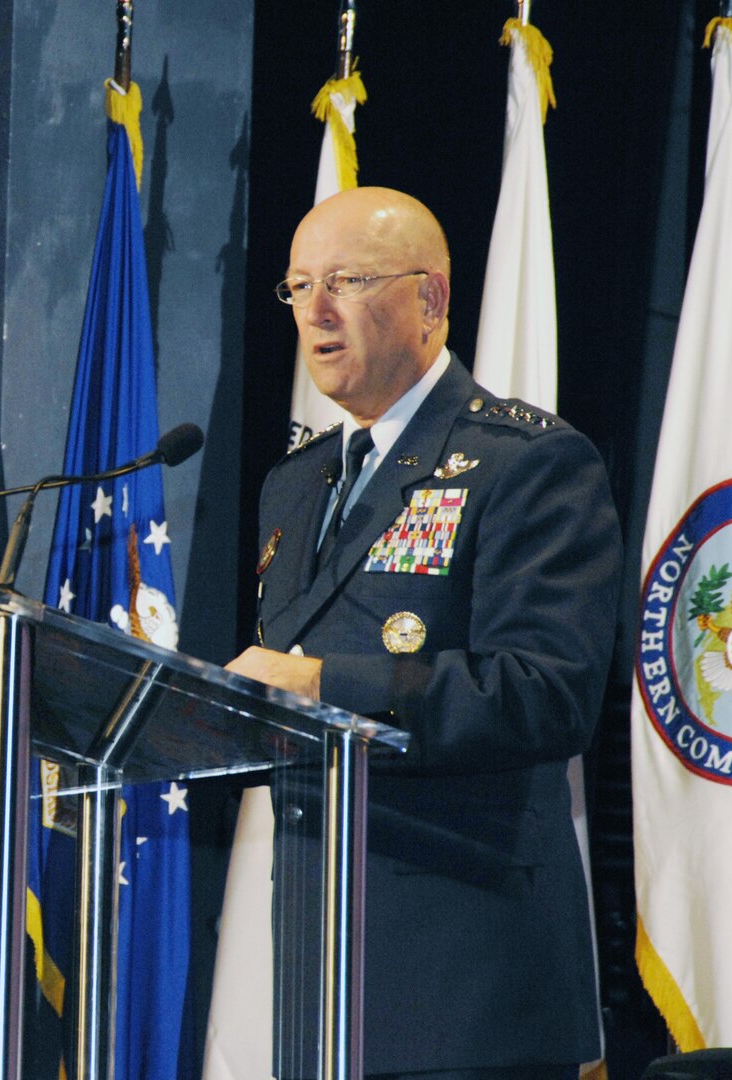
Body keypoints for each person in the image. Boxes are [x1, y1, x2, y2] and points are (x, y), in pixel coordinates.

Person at [226, 186, 622, 1079]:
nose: (315, 311)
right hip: (320, 980)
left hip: (469, 990)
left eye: (348, 280)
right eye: (297, 286)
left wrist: (326, 687)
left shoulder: (529, 464)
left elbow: (546, 693)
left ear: (431, 301)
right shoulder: (294, 486)